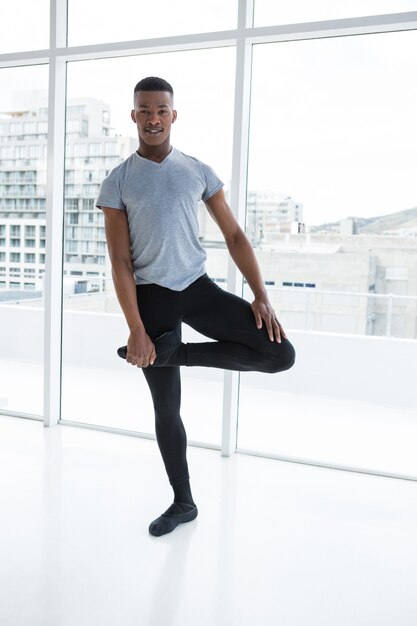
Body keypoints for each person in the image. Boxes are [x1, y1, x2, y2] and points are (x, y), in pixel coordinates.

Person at [96, 76, 296, 537]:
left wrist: (260, 295)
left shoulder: (197, 170)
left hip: (197, 287)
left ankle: (177, 353)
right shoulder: (119, 181)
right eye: (145, 110)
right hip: (151, 298)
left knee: (279, 354)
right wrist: (137, 330)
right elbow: (121, 262)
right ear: (134, 116)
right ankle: (183, 502)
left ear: (173, 115)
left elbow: (234, 236)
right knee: (167, 408)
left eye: (161, 110)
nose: (153, 118)